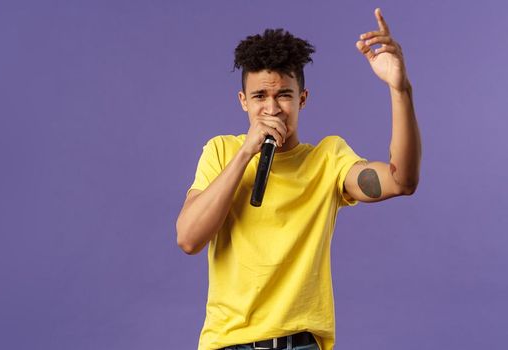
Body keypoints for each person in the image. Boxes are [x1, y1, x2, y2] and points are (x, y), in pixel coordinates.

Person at [175, 8, 421, 350]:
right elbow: (188, 239)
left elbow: (401, 181)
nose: (272, 108)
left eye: (284, 95)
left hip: (302, 344)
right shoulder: (221, 151)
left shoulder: (327, 159)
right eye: (260, 96)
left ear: (302, 99)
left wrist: (401, 90)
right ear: (243, 102)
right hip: (228, 343)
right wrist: (246, 153)